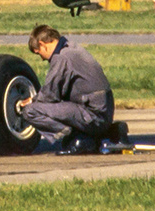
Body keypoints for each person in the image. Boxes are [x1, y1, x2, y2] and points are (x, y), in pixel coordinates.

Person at [16, 24, 121, 154]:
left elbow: (50, 95)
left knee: (30, 111)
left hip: (92, 116)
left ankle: (73, 135)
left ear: (42, 44)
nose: (42, 58)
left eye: (39, 53)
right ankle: (83, 134)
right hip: (102, 113)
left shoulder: (61, 57)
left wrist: (32, 100)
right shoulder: (72, 49)